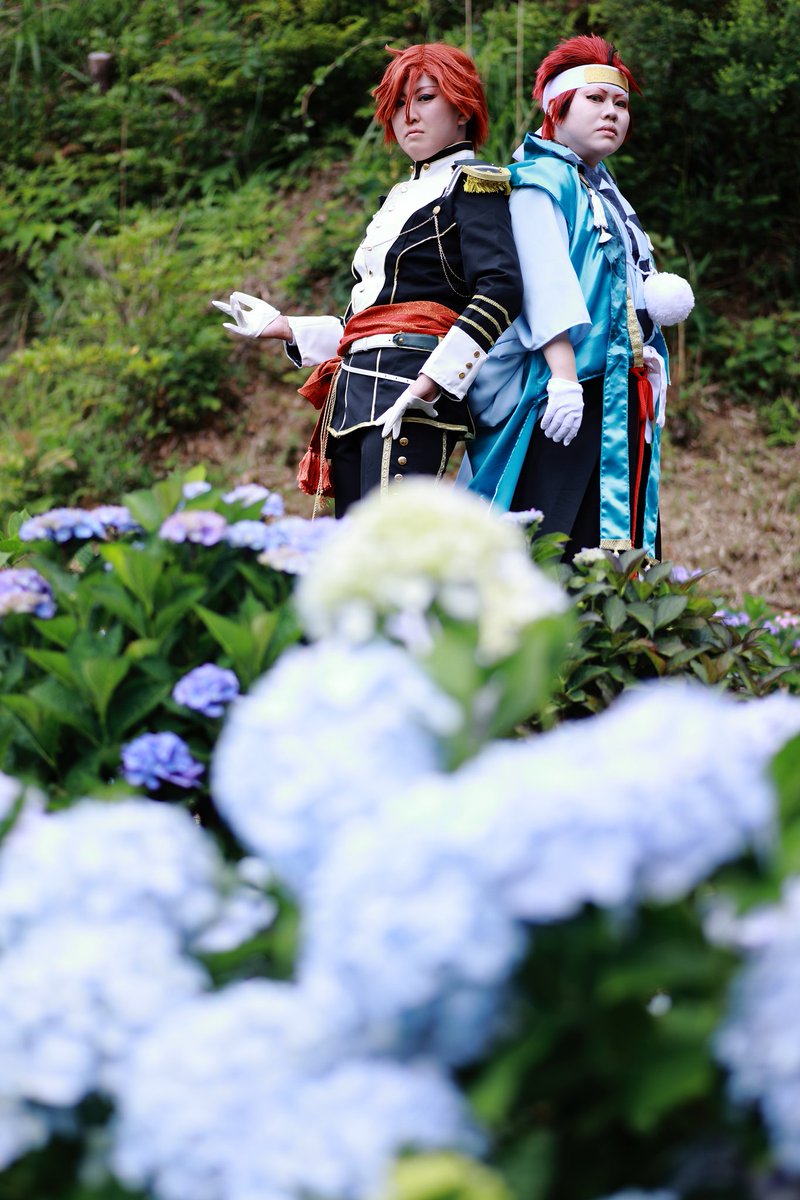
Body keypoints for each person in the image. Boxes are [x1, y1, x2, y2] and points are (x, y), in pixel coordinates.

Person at [213, 42, 522, 518]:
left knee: (394, 549)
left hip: (415, 392)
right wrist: (286, 327)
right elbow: (365, 324)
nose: (408, 115)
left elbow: (501, 290)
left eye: (424, 98)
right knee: (353, 546)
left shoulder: (474, 183)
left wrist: (434, 381)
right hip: (351, 397)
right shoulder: (397, 198)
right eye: (397, 103)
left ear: (462, 109)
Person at [463, 34, 693, 559]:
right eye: (595, 99)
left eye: (621, 104)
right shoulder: (538, 180)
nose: (612, 112)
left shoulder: (602, 189)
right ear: (556, 107)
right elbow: (543, 283)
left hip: (615, 392)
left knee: (611, 544)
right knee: (553, 542)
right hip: (560, 392)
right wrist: (564, 380)